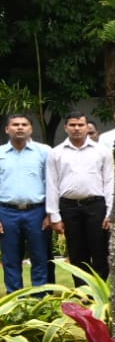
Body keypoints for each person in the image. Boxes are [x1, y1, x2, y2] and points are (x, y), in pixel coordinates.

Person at [46, 111, 113, 280]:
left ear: (86, 127)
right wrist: (54, 216)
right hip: (69, 207)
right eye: (72, 125)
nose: (77, 128)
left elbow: (109, 182)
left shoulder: (102, 151)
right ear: (66, 128)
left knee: (99, 251)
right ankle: (82, 294)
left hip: (96, 206)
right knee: (76, 254)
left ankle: (101, 293)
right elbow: (52, 185)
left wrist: (110, 212)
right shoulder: (56, 153)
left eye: (80, 125)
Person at [0, 113, 52, 292]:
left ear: (31, 129)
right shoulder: (0, 154)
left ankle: (40, 299)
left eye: (24, 124)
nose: (20, 127)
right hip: (6, 212)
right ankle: (15, 301)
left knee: (40, 257)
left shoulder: (44, 152)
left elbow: (51, 183)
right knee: (10, 259)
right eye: (15, 124)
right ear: (7, 129)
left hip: (37, 212)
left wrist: (50, 213)